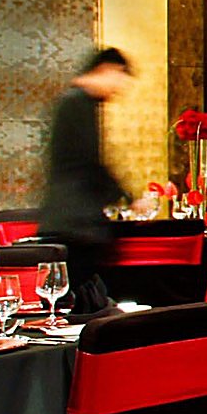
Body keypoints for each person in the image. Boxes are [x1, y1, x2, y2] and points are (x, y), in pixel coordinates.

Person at [39, 47, 135, 308]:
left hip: (71, 220)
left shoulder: (75, 102)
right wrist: (128, 197)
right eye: (119, 78)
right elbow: (88, 161)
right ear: (107, 69)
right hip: (76, 221)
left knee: (81, 300)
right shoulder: (76, 103)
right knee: (81, 301)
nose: (118, 89)